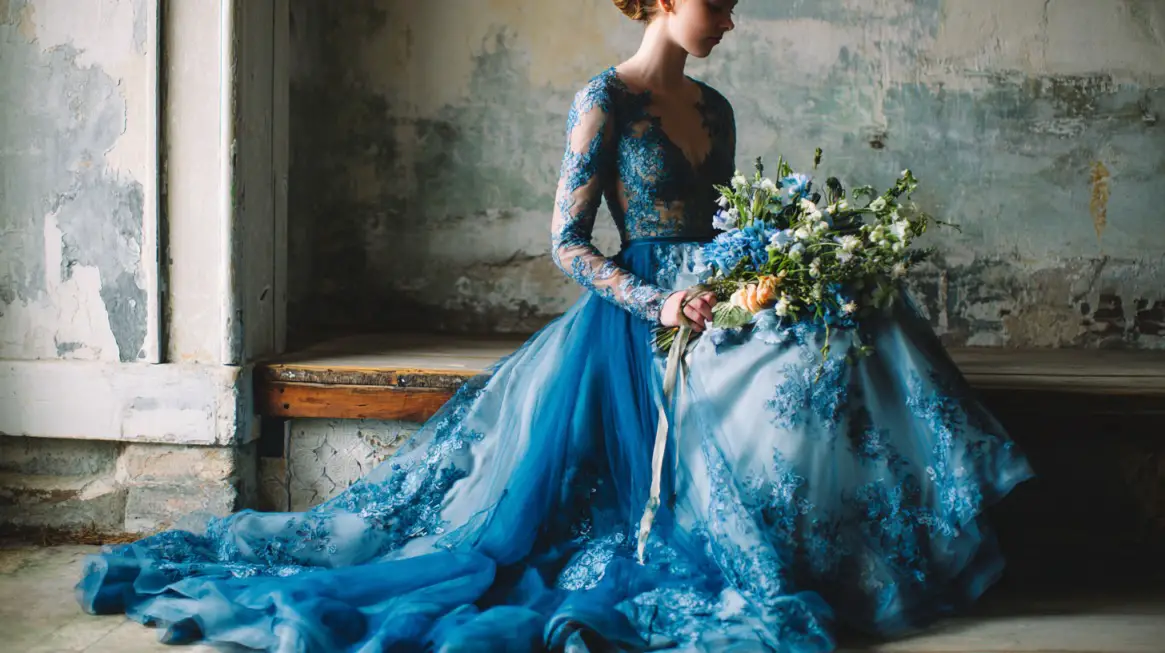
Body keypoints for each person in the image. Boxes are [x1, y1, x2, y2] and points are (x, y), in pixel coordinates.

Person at [76, 1, 1034, 650]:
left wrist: (776, 264)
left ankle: (892, 527)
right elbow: (567, 244)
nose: (734, 15)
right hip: (642, 311)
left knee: (855, 305)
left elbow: (729, 220)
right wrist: (660, 302)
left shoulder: (716, 105)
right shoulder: (604, 101)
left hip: (722, 288)